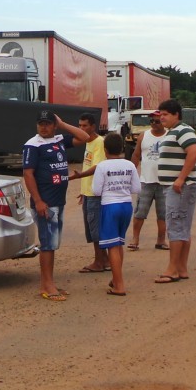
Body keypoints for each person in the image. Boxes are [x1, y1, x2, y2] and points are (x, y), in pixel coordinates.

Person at [22, 110, 92, 301]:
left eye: (48, 123)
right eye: (40, 123)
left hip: (58, 201)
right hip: (45, 202)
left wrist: (62, 124)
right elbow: (28, 174)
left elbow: (85, 137)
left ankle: (49, 282)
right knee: (47, 244)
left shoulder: (58, 140)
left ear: (54, 125)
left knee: (52, 245)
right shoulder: (33, 145)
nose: (43, 127)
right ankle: (47, 286)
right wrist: (38, 201)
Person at [154, 99, 196, 284]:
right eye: (161, 114)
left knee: (175, 226)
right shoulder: (172, 132)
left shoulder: (183, 130)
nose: (161, 117)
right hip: (177, 186)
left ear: (176, 115)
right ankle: (181, 268)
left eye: (165, 114)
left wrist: (181, 178)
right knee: (182, 227)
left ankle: (172, 270)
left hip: (179, 187)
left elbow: (194, 152)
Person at [92, 133, 140, 296]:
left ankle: (119, 285)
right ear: (121, 148)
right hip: (126, 205)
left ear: (105, 150)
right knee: (118, 243)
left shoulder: (102, 166)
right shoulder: (129, 165)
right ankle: (116, 278)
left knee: (112, 245)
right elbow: (136, 189)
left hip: (110, 206)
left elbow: (96, 190)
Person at [68, 113, 109, 273]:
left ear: (93, 126)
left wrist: (78, 176)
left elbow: (98, 167)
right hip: (88, 192)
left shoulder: (99, 142)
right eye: (80, 125)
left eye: (85, 125)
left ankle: (99, 262)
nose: (82, 128)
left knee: (95, 229)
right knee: (92, 229)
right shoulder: (88, 142)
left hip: (95, 194)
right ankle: (104, 259)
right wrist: (83, 191)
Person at [129, 111, 168, 251]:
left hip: (164, 182)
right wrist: (132, 173)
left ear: (163, 121)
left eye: (157, 121)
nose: (154, 124)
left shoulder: (170, 135)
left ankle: (161, 240)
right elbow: (136, 155)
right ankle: (135, 239)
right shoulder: (143, 136)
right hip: (146, 181)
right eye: (151, 121)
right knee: (140, 212)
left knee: (163, 214)